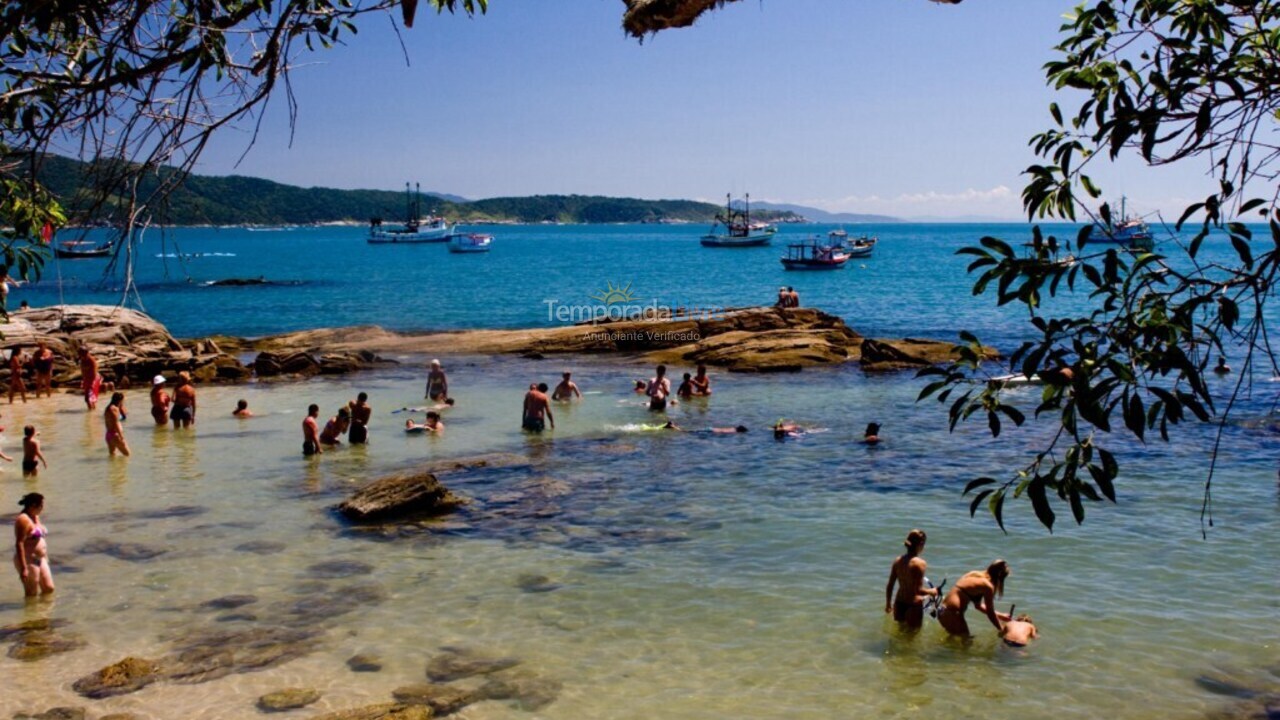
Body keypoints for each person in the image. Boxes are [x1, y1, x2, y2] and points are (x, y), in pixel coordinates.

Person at [937, 559, 1013, 638]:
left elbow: (978, 606)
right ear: (999, 576)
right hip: (953, 613)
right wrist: (1001, 629)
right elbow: (990, 613)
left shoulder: (973, 574)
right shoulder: (987, 586)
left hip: (942, 611)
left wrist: (1001, 615)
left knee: (954, 640)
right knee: (966, 643)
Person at [884, 529, 938, 630]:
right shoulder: (920, 563)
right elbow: (917, 590)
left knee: (899, 634)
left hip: (899, 603)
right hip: (913, 606)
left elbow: (890, 585)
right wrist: (932, 591)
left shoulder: (898, 561)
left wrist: (888, 604)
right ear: (920, 544)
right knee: (912, 639)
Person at [13, 493, 54, 598]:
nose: (43, 508)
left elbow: (40, 539)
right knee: (31, 594)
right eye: (41, 506)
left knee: (49, 588)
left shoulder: (35, 516)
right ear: (32, 506)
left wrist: (45, 555)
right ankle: (30, 614)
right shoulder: (23, 520)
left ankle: (43, 613)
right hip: (28, 560)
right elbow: (19, 543)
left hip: (40, 559)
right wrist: (23, 568)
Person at [104, 392, 130, 457]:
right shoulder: (114, 409)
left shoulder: (108, 408)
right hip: (115, 435)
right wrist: (121, 437)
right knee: (127, 455)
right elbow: (116, 423)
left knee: (112, 456)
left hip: (109, 434)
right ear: (120, 400)